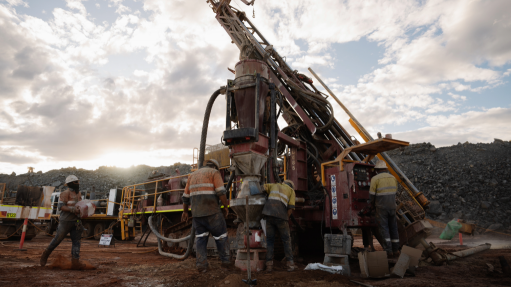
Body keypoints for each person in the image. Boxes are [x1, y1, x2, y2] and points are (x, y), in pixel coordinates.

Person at [181, 159, 230, 273]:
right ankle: (226, 263)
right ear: (215, 167)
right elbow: (221, 192)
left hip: (197, 215)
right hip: (212, 213)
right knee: (221, 236)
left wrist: (185, 212)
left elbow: (185, 197)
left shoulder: (191, 176)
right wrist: (226, 207)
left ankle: (201, 265)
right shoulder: (214, 173)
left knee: (201, 239)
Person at [40, 175, 85, 269]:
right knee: (57, 239)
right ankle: (45, 254)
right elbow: (61, 207)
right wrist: (73, 210)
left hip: (76, 221)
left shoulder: (79, 193)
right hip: (66, 221)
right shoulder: (65, 193)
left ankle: (75, 262)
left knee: (77, 242)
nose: (78, 183)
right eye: (76, 182)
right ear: (71, 183)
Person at [262, 180, 296, 272]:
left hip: (268, 214)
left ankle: (269, 265)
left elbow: (262, 187)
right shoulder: (292, 191)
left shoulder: (274, 185)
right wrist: (285, 219)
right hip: (281, 216)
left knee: (269, 240)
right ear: (291, 186)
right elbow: (290, 208)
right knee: (286, 240)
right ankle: (290, 264)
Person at [369, 161, 400, 257]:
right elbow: (395, 192)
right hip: (392, 207)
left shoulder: (375, 179)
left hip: (381, 208)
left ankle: (388, 251)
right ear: (386, 169)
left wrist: (372, 205)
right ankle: (396, 250)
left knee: (384, 228)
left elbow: (372, 195)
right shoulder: (393, 178)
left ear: (377, 170)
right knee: (393, 228)